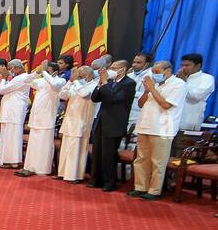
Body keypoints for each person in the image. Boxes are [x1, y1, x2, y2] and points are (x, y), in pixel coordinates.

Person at [129, 60, 188, 200]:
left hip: (163, 128)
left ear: (167, 71)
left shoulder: (178, 84)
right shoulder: (153, 85)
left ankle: (154, 190)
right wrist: (147, 90)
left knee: (158, 162)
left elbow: (166, 104)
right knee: (141, 159)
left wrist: (152, 89)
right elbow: (140, 103)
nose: (154, 75)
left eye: (157, 72)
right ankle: (140, 187)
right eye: (153, 72)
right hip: (145, 125)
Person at [88, 59, 138, 192]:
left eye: (115, 68)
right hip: (101, 121)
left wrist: (104, 83)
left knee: (109, 154)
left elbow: (113, 98)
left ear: (123, 69)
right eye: (111, 67)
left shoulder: (129, 83)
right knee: (97, 152)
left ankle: (109, 182)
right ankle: (96, 180)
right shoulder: (108, 82)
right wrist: (100, 84)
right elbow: (95, 98)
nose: (111, 70)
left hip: (115, 123)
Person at [16, 61, 65, 177]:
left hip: (48, 117)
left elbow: (54, 85)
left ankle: (42, 169)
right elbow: (26, 80)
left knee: (44, 144)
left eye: (47, 69)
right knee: (33, 143)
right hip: (36, 116)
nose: (44, 71)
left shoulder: (60, 80)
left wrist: (44, 72)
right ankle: (29, 167)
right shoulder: (41, 81)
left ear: (55, 71)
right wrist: (36, 72)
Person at [56, 66, 97, 183]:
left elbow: (85, 94)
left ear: (89, 75)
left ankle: (74, 175)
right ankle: (63, 172)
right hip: (69, 120)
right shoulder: (75, 84)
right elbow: (62, 96)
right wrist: (69, 82)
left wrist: (76, 82)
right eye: (78, 74)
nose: (78, 76)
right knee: (65, 148)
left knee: (76, 149)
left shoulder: (93, 84)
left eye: (81, 74)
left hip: (81, 121)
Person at [0, 60, 32, 168]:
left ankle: (13, 161)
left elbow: (1, 90)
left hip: (15, 111)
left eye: (11, 68)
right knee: (6, 135)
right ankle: (4, 159)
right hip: (10, 110)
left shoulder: (22, 77)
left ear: (17, 68)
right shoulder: (16, 77)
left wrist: (3, 79)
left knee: (13, 136)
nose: (10, 71)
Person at [177, 53, 214, 131]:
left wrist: (183, 81)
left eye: (187, 65)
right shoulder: (177, 78)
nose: (183, 68)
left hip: (189, 122)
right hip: (171, 121)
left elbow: (196, 96)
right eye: (182, 65)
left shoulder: (207, 78)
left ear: (198, 66)